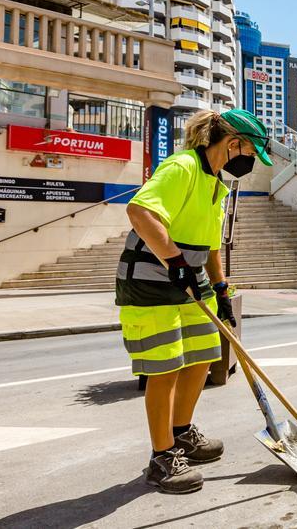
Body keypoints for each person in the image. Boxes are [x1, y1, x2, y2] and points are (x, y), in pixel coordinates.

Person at [116, 108, 272, 494]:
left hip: (191, 278)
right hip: (151, 280)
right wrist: (175, 262)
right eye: (250, 152)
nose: (249, 161)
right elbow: (139, 211)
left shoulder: (216, 183)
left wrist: (221, 290)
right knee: (165, 367)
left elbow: (211, 246)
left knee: (203, 357)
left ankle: (181, 432)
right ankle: (161, 458)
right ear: (233, 143)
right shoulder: (182, 166)